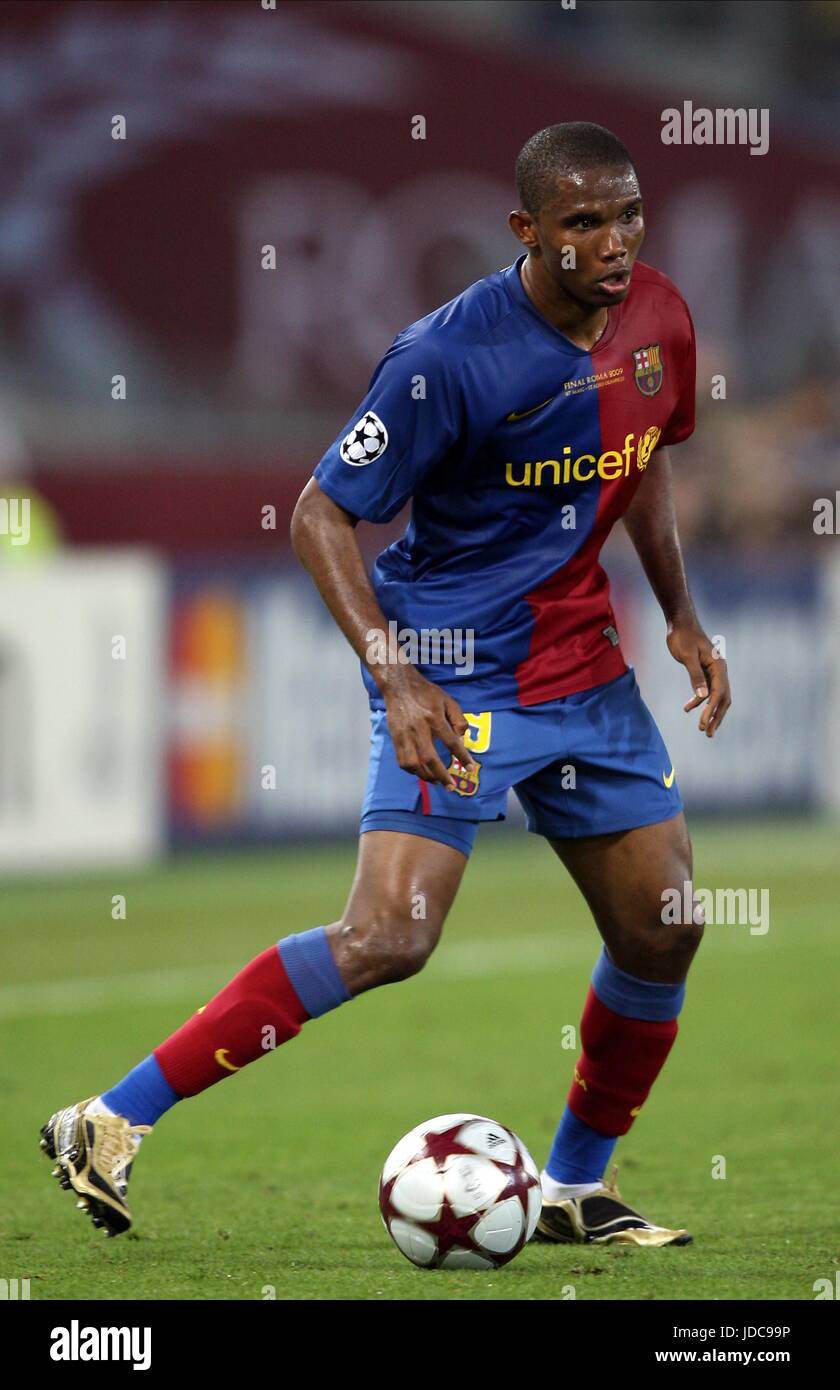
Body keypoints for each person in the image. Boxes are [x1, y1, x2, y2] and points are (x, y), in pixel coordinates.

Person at [41, 122, 730, 1247]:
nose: (616, 241)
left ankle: (573, 1187)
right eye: (584, 222)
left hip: (585, 671)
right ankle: (109, 1119)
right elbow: (321, 512)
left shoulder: (659, 316)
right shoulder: (443, 358)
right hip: (454, 669)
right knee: (390, 937)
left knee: (664, 926)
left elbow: (642, 460)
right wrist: (397, 675)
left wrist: (683, 614)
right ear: (527, 231)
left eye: (629, 214)